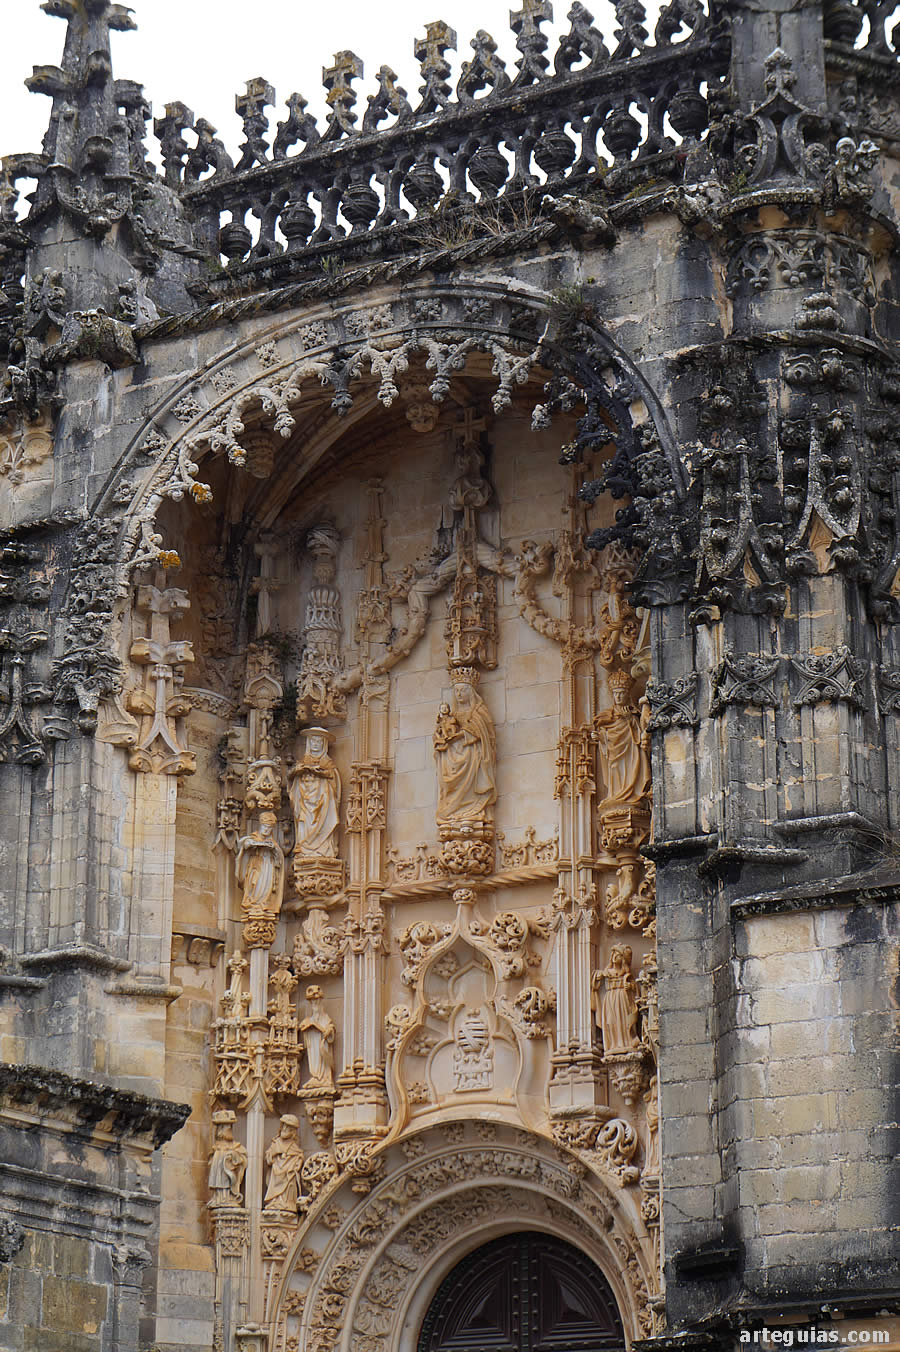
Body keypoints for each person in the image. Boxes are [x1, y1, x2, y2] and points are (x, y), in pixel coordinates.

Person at [434, 673, 497, 825]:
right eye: (456, 691)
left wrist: (462, 735)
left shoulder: (479, 712)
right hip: (452, 757)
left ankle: (475, 809)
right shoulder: (451, 715)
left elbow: (483, 731)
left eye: (463, 690)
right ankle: (453, 810)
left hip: (472, 756)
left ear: (471, 692)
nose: (459, 694)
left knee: (473, 773)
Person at [263, 1114, 305, 1214]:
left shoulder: (293, 1146)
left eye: (288, 1127)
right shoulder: (276, 1143)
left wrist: (297, 1164)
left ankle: (286, 1202)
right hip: (276, 1172)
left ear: (293, 1132)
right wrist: (273, 1155)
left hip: (288, 1174)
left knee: (290, 1181)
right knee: (276, 1181)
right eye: (284, 1126)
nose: (285, 1129)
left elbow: (299, 1156)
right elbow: (268, 1156)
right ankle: (275, 1200)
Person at [207, 1110, 248, 1208]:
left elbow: (242, 1157)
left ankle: (227, 1197)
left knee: (225, 1180)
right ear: (221, 1131)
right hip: (219, 1173)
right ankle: (218, 1198)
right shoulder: (217, 1146)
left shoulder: (235, 1146)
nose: (230, 1131)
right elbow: (210, 1160)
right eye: (227, 1129)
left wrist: (233, 1156)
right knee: (219, 1180)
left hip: (227, 1173)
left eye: (230, 1129)